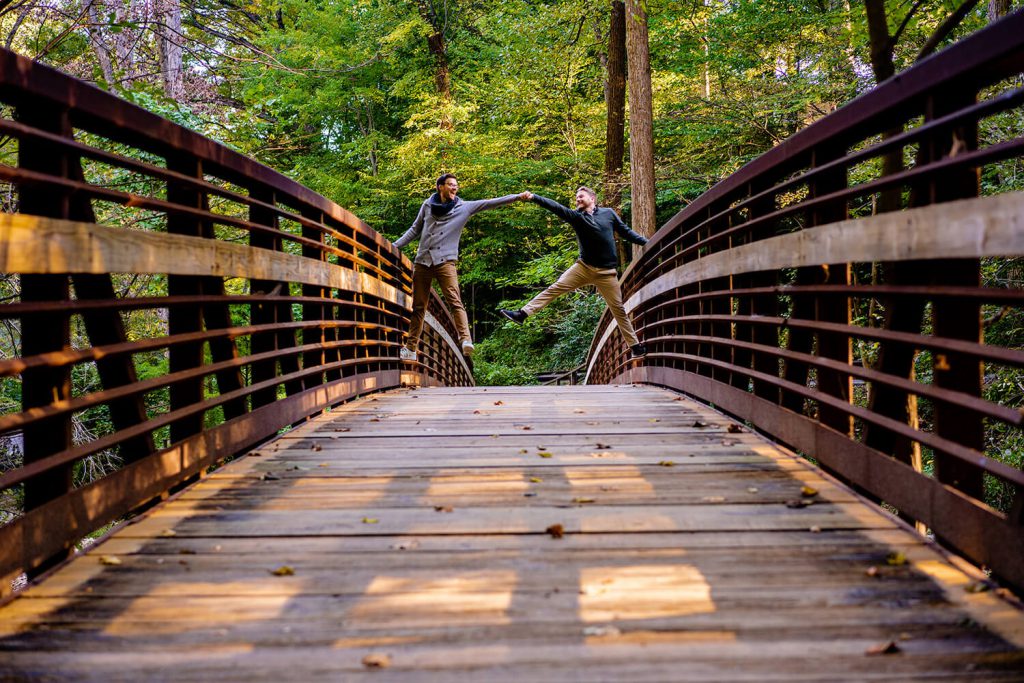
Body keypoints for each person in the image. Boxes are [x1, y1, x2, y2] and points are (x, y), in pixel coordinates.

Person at [499, 186, 649, 358]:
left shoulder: (608, 213)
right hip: (583, 268)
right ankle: (522, 314)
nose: (577, 199)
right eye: (576, 197)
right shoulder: (576, 217)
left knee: (618, 310)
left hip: (607, 273)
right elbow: (555, 207)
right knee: (555, 288)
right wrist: (534, 197)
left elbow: (626, 232)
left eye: (581, 196)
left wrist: (647, 242)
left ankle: (635, 347)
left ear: (592, 198)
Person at [394, 173, 529, 361]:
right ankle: (410, 348)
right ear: (440, 187)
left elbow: (491, 202)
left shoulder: (463, 207)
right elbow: (414, 230)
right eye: (450, 185)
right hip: (422, 262)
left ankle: (465, 339)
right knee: (418, 307)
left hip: (445, 262)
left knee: (455, 301)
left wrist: (517, 197)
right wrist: (394, 246)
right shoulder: (427, 205)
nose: (454, 188)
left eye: (456, 185)